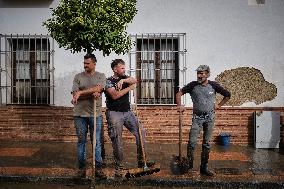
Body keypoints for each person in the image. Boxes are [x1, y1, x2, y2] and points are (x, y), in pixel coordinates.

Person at [176, 65, 231, 176]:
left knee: (206, 144)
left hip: (210, 118)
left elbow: (227, 95)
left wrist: (219, 105)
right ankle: (189, 166)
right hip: (197, 118)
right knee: (191, 143)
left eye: (202, 73)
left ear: (208, 74)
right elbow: (179, 94)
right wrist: (179, 105)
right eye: (198, 73)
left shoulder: (213, 85)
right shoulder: (192, 85)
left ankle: (204, 167)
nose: (199, 76)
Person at [104, 59, 155, 177]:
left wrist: (124, 80)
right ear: (115, 69)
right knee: (117, 139)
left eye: (124, 68)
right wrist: (129, 88)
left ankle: (142, 161)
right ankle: (119, 165)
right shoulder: (108, 81)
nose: (124, 70)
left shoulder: (125, 78)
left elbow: (135, 80)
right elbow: (114, 95)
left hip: (128, 112)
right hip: (114, 113)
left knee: (141, 131)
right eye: (122, 68)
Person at [71, 53, 106, 178]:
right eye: (84, 63)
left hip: (95, 115)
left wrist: (81, 92)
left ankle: (98, 169)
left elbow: (100, 88)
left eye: (87, 63)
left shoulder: (101, 76)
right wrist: (92, 92)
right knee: (81, 142)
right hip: (79, 114)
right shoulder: (78, 77)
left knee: (96, 142)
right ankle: (81, 169)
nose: (85, 65)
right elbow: (74, 95)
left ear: (94, 63)